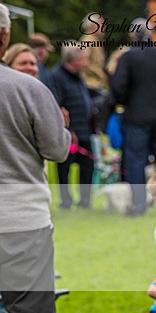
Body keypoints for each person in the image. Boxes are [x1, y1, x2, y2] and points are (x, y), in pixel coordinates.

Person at [0, 4, 73, 313]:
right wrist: (60, 125)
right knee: (30, 311)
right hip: (20, 216)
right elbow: (57, 149)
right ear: (5, 38)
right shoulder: (28, 88)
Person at [111, 23, 156, 216]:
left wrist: (125, 101)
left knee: (136, 161)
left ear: (133, 36)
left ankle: (139, 204)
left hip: (136, 116)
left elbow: (118, 86)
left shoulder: (128, 58)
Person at [49, 45, 95, 209]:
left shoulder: (78, 76)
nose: (85, 62)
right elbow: (58, 106)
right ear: (74, 59)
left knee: (88, 166)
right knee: (64, 168)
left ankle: (85, 201)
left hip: (85, 130)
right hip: (70, 132)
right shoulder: (56, 77)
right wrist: (68, 130)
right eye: (83, 59)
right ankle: (66, 201)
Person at [78, 12, 108, 97]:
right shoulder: (88, 41)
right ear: (93, 26)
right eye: (101, 24)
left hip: (95, 83)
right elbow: (84, 62)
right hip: (90, 83)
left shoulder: (95, 40)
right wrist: (99, 73)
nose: (104, 27)